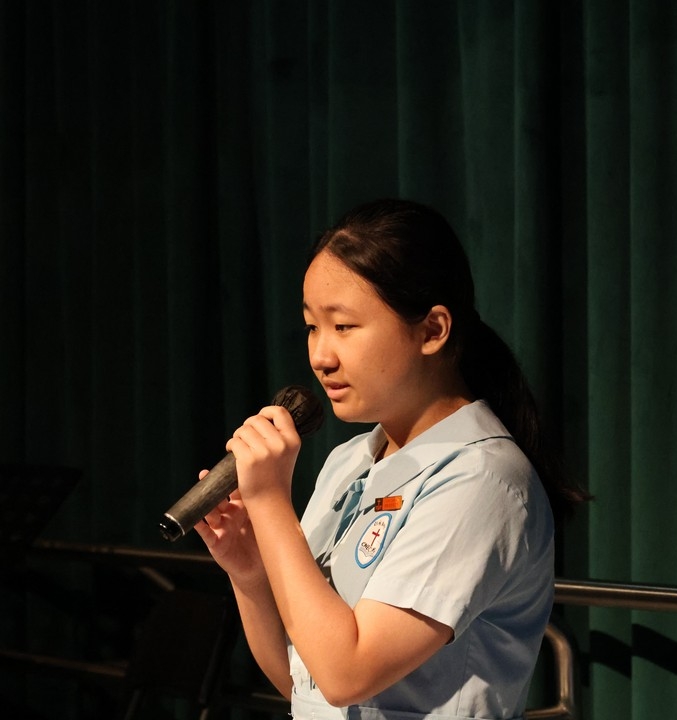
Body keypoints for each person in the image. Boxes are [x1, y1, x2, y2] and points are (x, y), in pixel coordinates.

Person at [193, 198, 587, 720]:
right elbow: (303, 683)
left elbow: (346, 674)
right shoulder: (349, 461)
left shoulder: (482, 478)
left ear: (432, 330)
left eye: (344, 326)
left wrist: (269, 502)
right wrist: (249, 574)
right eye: (312, 326)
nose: (320, 356)